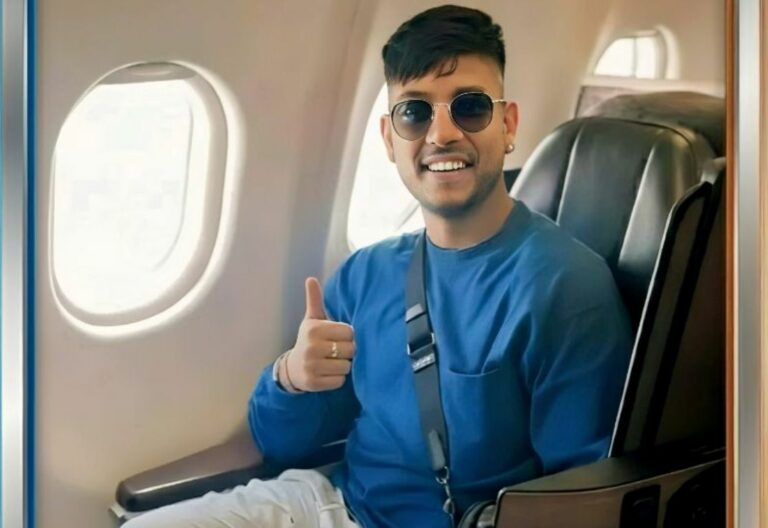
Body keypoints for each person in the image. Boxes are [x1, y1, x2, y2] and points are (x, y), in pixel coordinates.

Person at [125, 5, 632, 528]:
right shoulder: (365, 274)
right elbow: (279, 443)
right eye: (415, 112)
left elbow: (580, 495)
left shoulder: (566, 288)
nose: (441, 134)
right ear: (391, 139)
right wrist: (293, 377)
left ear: (507, 126)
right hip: (334, 505)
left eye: (470, 108)